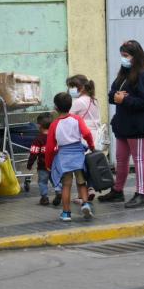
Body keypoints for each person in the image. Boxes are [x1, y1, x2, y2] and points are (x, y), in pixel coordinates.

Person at [99, 40, 144, 208]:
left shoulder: (143, 74)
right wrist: (116, 97)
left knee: (138, 159)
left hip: (137, 126)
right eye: (122, 55)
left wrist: (125, 99)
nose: (123, 59)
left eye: (126, 56)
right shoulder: (123, 74)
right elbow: (112, 94)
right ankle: (118, 191)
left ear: (135, 57)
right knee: (121, 159)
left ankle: (141, 194)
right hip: (123, 124)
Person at [45, 92, 96, 222]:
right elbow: (87, 133)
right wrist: (91, 146)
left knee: (66, 185)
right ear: (70, 105)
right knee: (81, 182)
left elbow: (50, 147)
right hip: (78, 154)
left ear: (56, 107)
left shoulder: (54, 125)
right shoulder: (77, 119)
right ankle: (85, 203)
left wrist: (48, 163)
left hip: (63, 156)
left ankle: (66, 213)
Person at [68, 74, 102, 202]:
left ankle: (83, 195)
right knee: (90, 164)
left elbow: (68, 118)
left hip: (82, 137)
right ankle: (91, 188)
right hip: (95, 136)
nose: (70, 90)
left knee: (80, 166)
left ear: (81, 88)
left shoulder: (78, 102)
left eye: (72, 87)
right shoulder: (94, 100)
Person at [26, 113, 53, 205]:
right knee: (56, 181)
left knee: (42, 182)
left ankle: (44, 197)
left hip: (42, 166)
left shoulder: (38, 139)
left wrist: (29, 164)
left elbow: (33, 153)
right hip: (55, 166)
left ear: (39, 126)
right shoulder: (54, 137)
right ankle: (59, 192)